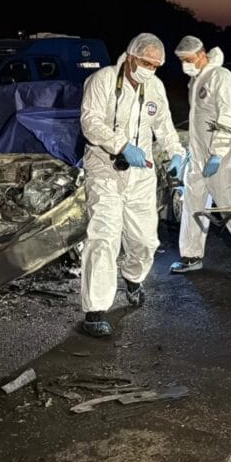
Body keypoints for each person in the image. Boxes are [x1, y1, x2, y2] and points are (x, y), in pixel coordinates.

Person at [78, 33, 185, 338]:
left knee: (145, 240)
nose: (150, 69)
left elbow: (163, 125)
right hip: (105, 171)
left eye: (155, 65)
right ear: (131, 56)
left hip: (141, 175)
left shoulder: (155, 87)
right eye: (146, 62)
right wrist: (122, 145)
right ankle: (95, 311)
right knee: (103, 238)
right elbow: (90, 122)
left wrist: (176, 152)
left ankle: (133, 278)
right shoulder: (102, 80)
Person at [170, 35, 231, 274]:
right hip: (198, 155)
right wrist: (189, 152)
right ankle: (191, 255)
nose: (185, 65)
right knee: (192, 203)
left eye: (188, 59)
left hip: (223, 156)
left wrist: (217, 153)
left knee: (230, 203)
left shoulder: (221, 77)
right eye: (182, 61)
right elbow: (198, 121)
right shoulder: (196, 81)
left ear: (202, 54)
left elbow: (228, 117)